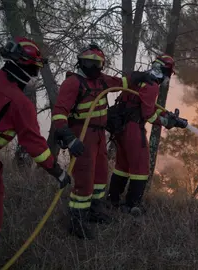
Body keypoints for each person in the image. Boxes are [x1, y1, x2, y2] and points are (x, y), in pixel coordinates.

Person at [0, 37, 71, 270]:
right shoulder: (20, 103)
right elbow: (35, 146)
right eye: (33, 69)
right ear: (22, 65)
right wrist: (58, 172)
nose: (34, 75)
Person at [51, 43, 151, 239]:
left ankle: (95, 211)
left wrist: (137, 76)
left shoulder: (101, 80)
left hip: (98, 134)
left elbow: (119, 82)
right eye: (89, 62)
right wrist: (69, 137)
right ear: (81, 61)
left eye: (98, 63)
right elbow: (59, 112)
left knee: (100, 175)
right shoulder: (73, 83)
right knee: (84, 177)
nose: (93, 67)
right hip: (82, 133)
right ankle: (77, 221)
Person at [107, 54, 188, 216]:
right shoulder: (153, 86)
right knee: (141, 167)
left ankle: (113, 200)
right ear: (166, 71)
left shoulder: (140, 78)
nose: (168, 79)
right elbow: (148, 114)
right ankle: (132, 205)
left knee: (123, 166)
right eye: (169, 75)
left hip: (120, 127)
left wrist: (168, 114)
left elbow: (144, 104)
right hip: (133, 129)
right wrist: (167, 123)